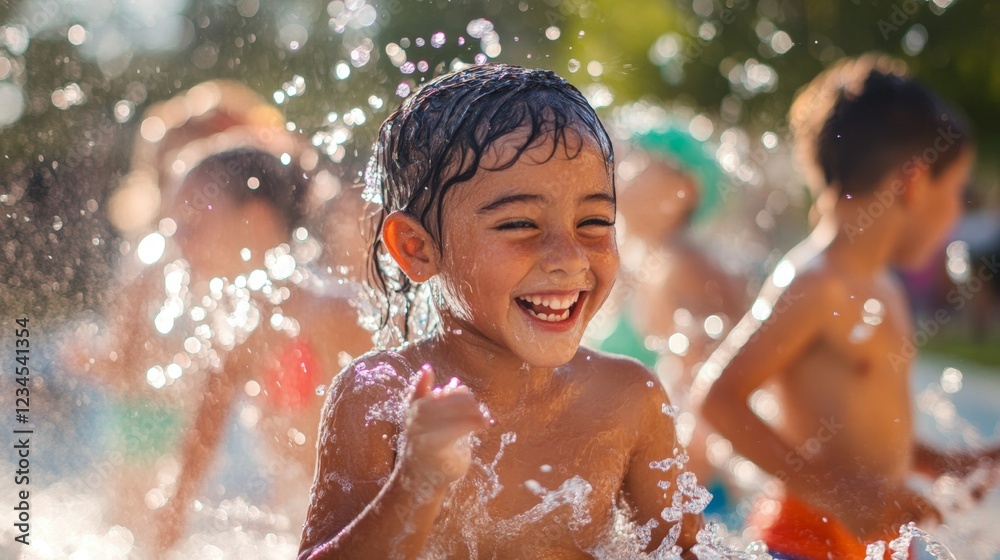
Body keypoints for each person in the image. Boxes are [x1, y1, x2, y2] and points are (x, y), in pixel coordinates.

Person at [298, 64, 705, 559]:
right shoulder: (380, 397)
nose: (570, 258)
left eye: (594, 221)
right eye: (519, 224)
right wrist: (417, 482)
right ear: (417, 248)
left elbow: (686, 552)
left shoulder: (625, 400)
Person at [692, 54, 1000, 559]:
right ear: (914, 182)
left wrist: (940, 463)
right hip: (803, 545)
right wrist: (836, 494)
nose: (954, 216)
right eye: (955, 195)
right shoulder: (816, 283)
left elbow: (858, 429)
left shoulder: (882, 284)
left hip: (868, 545)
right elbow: (718, 397)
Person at [149, 149, 374, 553]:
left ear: (255, 220)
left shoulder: (336, 315)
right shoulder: (239, 329)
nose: (179, 240)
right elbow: (193, 456)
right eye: (175, 225)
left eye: (193, 221)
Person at [601, 120, 745, 506]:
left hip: (683, 495)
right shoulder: (639, 264)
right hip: (660, 486)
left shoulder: (685, 267)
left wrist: (663, 506)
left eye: (645, 162)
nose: (625, 169)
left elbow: (708, 397)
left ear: (685, 190)